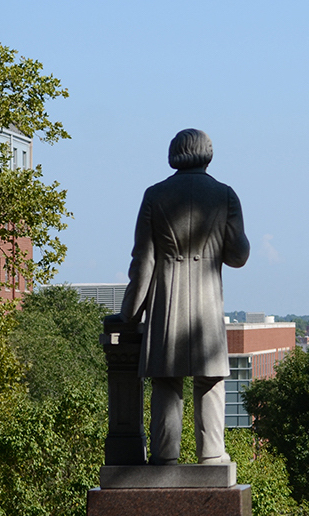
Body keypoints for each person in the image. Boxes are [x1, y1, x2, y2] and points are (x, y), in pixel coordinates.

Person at [110, 128, 249, 465]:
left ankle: (165, 458)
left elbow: (143, 262)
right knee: (210, 381)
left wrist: (129, 313)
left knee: (166, 381)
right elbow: (238, 256)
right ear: (207, 153)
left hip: (166, 302)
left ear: (174, 153)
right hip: (206, 303)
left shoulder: (155, 195)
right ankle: (213, 456)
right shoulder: (225, 195)